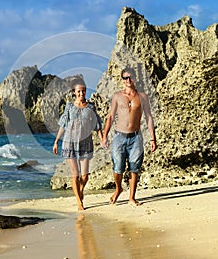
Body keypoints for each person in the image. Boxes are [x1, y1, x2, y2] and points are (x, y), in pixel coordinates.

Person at [101, 67, 157, 206]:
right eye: (125, 78)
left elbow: (149, 117)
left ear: (135, 78)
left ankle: (131, 198)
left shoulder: (142, 97)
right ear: (122, 80)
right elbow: (111, 117)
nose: (128, 80)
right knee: (117, 168)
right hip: (119, 136)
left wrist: (153, 138)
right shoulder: (117, 96)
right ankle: (118, 188)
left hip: (136, 137)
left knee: (134, 167)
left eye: (130, 77)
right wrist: (104, 136)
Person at [53, 78, 103, 211]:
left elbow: (97, 125)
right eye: (79, 91)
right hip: (69, 143)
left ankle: (80, 191)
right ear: (74, 92)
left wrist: (103, 138)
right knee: (75, 174)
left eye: (84, 91)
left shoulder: (91, 106)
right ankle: (79, 202)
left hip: (86, 144)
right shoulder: (69, 107)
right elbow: (63, 126)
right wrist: (57, 141)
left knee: (85, 175)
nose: (82, 94)